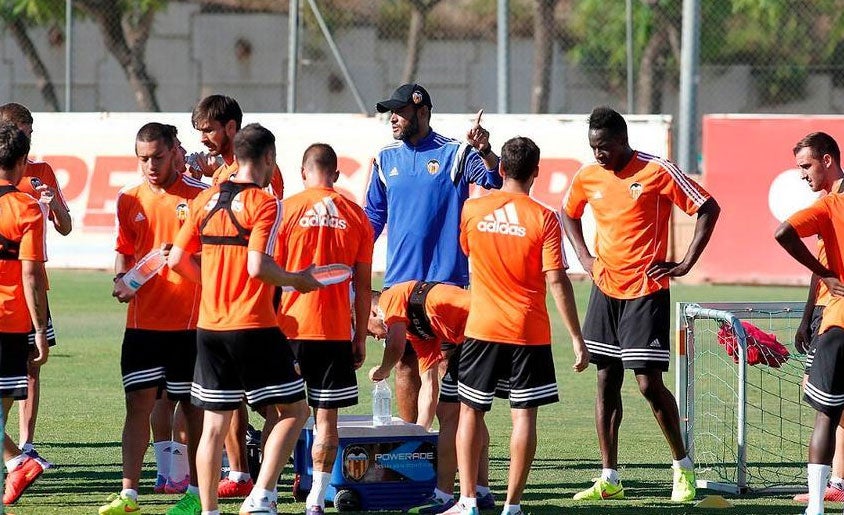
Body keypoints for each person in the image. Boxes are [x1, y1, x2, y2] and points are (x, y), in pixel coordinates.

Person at [561, 106, 720, 503]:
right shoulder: (588, 176)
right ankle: (609, 476)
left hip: (647, 291)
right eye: (594, 147)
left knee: (648, 384)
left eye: (606, 147)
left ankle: (682, 468)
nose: (599, 155)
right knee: (605, 380)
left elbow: (708, 207)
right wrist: (585, 257)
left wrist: (684, 263)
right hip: (605, 289)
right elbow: (567, 213)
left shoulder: (657, 170)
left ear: (623, 140)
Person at [168, 123, 322, 514]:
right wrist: (296, 281)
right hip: (253, 325)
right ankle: (262, 495)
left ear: (235, 156)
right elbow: (258, 267)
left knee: (214, 426)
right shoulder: (266, 204)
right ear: (269, 158)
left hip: (210, 327)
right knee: (295, 411)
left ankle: (208, 510)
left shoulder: (204, 200)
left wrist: (215, 283)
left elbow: (176, 260)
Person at [447, 136, 589, 515]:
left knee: (470, 413)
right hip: (529, 330)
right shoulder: (544, 218)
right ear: (536, 174)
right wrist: (577, 338)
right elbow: (557, 280)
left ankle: (468, 501)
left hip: (482, 327)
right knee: (523, 416)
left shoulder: (473, 210)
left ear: (503, 170)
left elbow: (467, 250)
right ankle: (512, 506)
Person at [365, 83, 502, 423]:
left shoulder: (456, 153)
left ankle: (451, 450)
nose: (392, 119)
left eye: (399, 112)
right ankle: (412, 447)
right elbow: (371, 220)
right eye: (390, 113)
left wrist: (485, 149)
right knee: (405, 365)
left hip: (448, 283)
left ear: (422, 111)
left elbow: (494, 180)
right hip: (400, 284)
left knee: (448, 369)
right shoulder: (385, 159)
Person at [99, 122, 207, 515]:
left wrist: (181, 256)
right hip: (142, 326)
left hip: (189, 326)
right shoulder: (128, 199)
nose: (150, 165)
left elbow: (214, 258)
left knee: (192, 411)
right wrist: (120, 278)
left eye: (157, 157)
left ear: (174, 152)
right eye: (143, 158)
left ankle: (195, 492)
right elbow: (123, 251)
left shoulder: (200, 197)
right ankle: (129, 494)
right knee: (137, 407)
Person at [275, 143, 373, 515]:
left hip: (288, 329)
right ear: (334, 174)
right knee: (326, 418)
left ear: (303, 172)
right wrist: (360, 335)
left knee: (282, 415)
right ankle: (316, 497)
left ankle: (267, 489)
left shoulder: (285, 210)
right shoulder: (356, 215)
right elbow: (363, 286)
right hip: (334, 333)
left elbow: (267, 274)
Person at [367, 283, 496, 514]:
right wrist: (418, 434)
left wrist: (383, 370)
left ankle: (444, 496)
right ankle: (481, 491)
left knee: (450, 412)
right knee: (468, 413)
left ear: (372, 311)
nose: (375, 338)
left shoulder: (390, 298)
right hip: (487, 328)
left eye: (368, 332)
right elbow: (428, 385)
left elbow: (395, 348)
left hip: (483, 327)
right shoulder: (417, 329)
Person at [0, 102, 72, 470]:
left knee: (30, 367)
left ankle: (25, 445)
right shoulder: (7, 179)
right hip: (13, 291)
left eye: (30, 132)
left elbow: (65, 225)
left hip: (33, 288)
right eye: (21, 133)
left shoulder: (42, 172)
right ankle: (15, 459)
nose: (27, 140)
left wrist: (53, 205)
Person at [774, 161, 844, 515]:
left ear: (827, 160)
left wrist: (826, 275)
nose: (803, 174)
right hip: (823, 313)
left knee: (826, 411)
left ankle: (819, 502)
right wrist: (806, 318)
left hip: (838, 319)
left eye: (806, 165)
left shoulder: (831, 205)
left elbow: (782, 231)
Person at [0, 122, 49, 506]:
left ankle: (16, 462)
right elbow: (31, 274)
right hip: (12, 320)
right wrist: (38, 329)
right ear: (21, 163)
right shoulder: (26, 207)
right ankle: (17, 462)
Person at [148, 124, 193, 496]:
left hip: (191, 313)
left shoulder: (198, 195)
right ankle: (168, 471)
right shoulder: (134, 197)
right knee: (161, 397)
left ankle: (179, 471)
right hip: (152, 315)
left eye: (172, 150)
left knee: (184, 399)